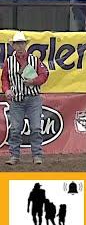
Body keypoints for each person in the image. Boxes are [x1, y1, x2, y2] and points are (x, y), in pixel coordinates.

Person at [2, 31, 50, 165]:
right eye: (17, 44)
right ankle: (14, 156)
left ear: (25, 45)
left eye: (21, 43)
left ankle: (37, 155)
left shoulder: (34, 60)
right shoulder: (9, 62)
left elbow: (44, 75)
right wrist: (6, 90)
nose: (20, 46)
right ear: (14, 46)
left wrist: (34, 81)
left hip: (33, 98)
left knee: (35, 128)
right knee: (16, 129)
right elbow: (4, 78)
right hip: (16, 100)